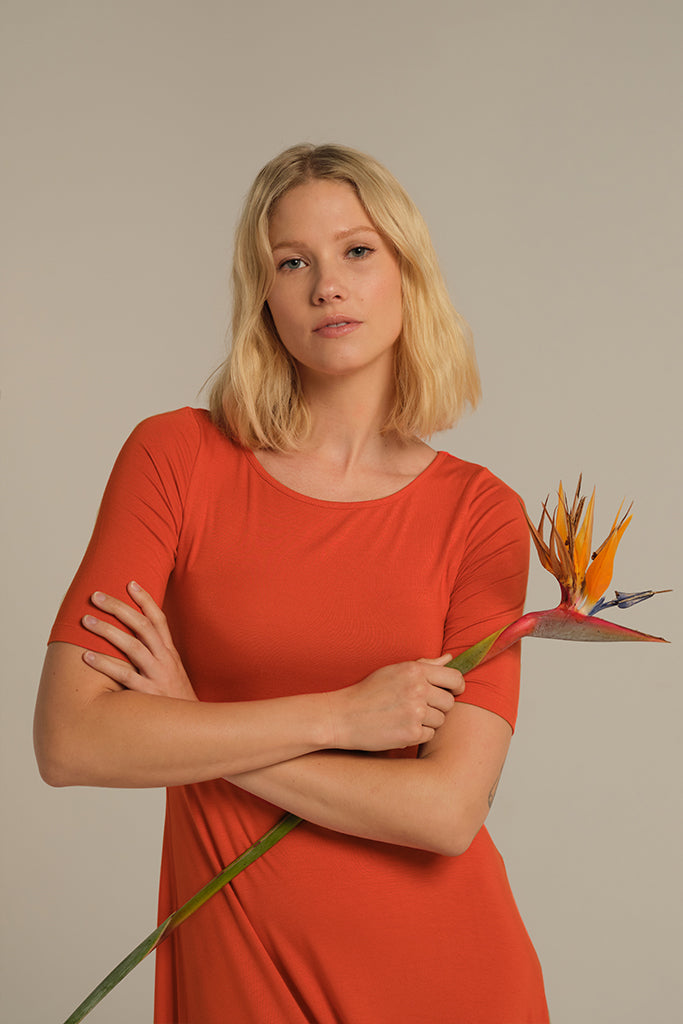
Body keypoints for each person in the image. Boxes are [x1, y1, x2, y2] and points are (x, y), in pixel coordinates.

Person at [34, 143, 549, 1023]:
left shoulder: (480, 513)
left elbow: (445, 812)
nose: (326, 287)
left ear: (406, 272)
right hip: (237, 960)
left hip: (445, 975)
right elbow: (70, 741)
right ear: (263, 294)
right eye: (291, 261)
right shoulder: (176, 459)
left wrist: (190, 725)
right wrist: (340, 717)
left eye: (357, 251)